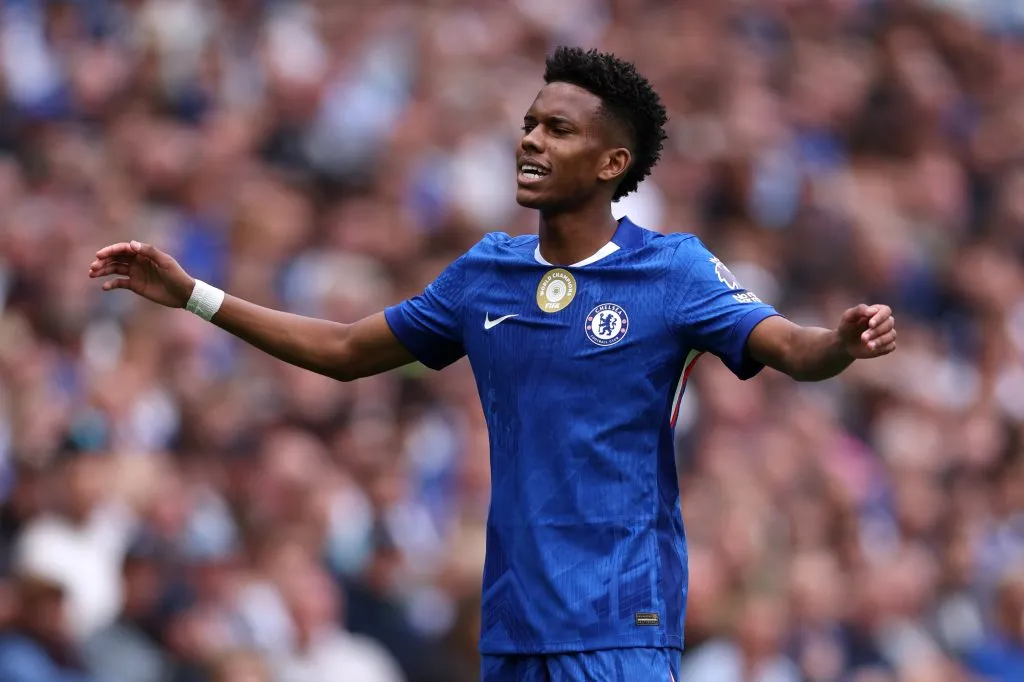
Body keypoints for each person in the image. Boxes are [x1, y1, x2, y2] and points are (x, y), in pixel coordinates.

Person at [88, 46, 897, 682]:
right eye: (530, 122)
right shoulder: (485, 275)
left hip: (621, 622)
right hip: (512, 620)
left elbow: (789, 348)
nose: (531, 140)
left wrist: (840, 341)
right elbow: (341, 352)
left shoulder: (672, 273)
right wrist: (194, 294)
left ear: (612, 164)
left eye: (558, 130)